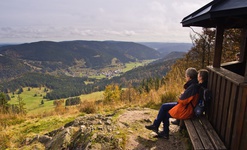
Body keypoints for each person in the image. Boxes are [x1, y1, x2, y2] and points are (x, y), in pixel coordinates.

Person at [145, 67, 201, 139]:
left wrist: (181, 96)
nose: (185, 78)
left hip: (186, 109)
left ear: (189, 77)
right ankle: (156, 126)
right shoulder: (193, 85)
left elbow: (182, 100)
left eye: (186, 76)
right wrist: (183, 96)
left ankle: (163, 131)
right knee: (164, 106)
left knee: (165, 112)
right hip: (187, 106)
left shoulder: (192, 87)